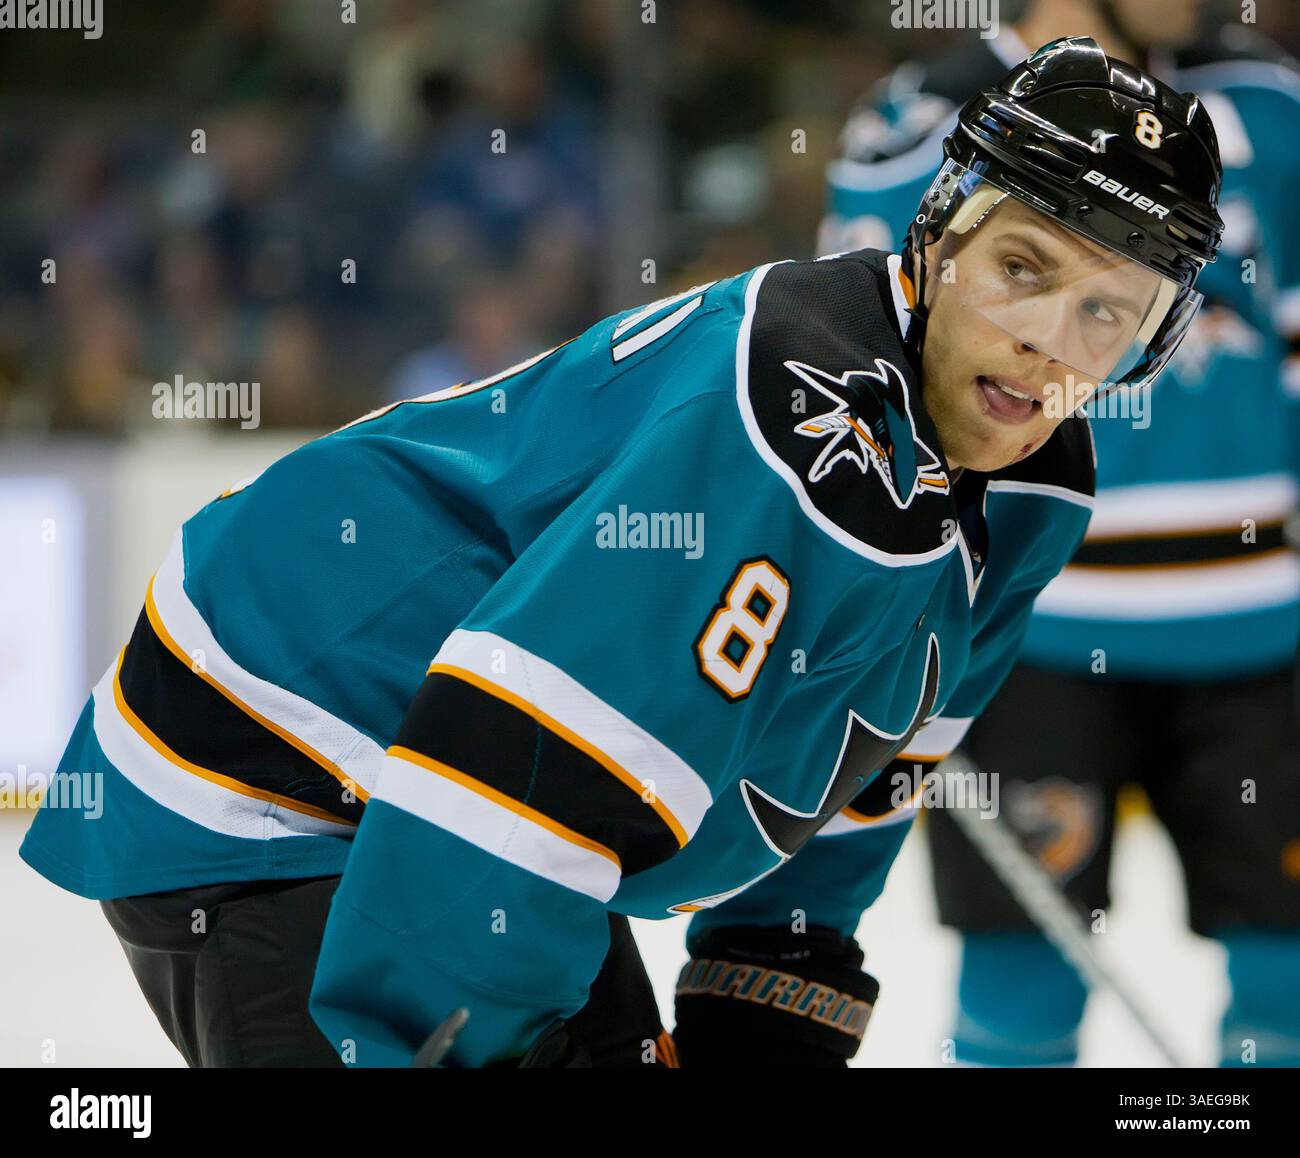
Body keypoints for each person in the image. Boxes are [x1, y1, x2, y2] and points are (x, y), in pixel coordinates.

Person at [21, 37, 1222, 1068]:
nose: (1044, 347)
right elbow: (516, 776)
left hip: (469, 792)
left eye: (1108, 314)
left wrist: (767, 987)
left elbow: (858, 780)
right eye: (1022, 269)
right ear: (941, 232)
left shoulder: (1030, 493)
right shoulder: (787, 437)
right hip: (280, 748)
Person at [819, 0, 1300, 1067]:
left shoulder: (1267, 99)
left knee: (1287, 984)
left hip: (1262, 632)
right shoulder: (924, 118)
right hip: (1025, 630)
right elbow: (869, 362)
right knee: (1017, 991)